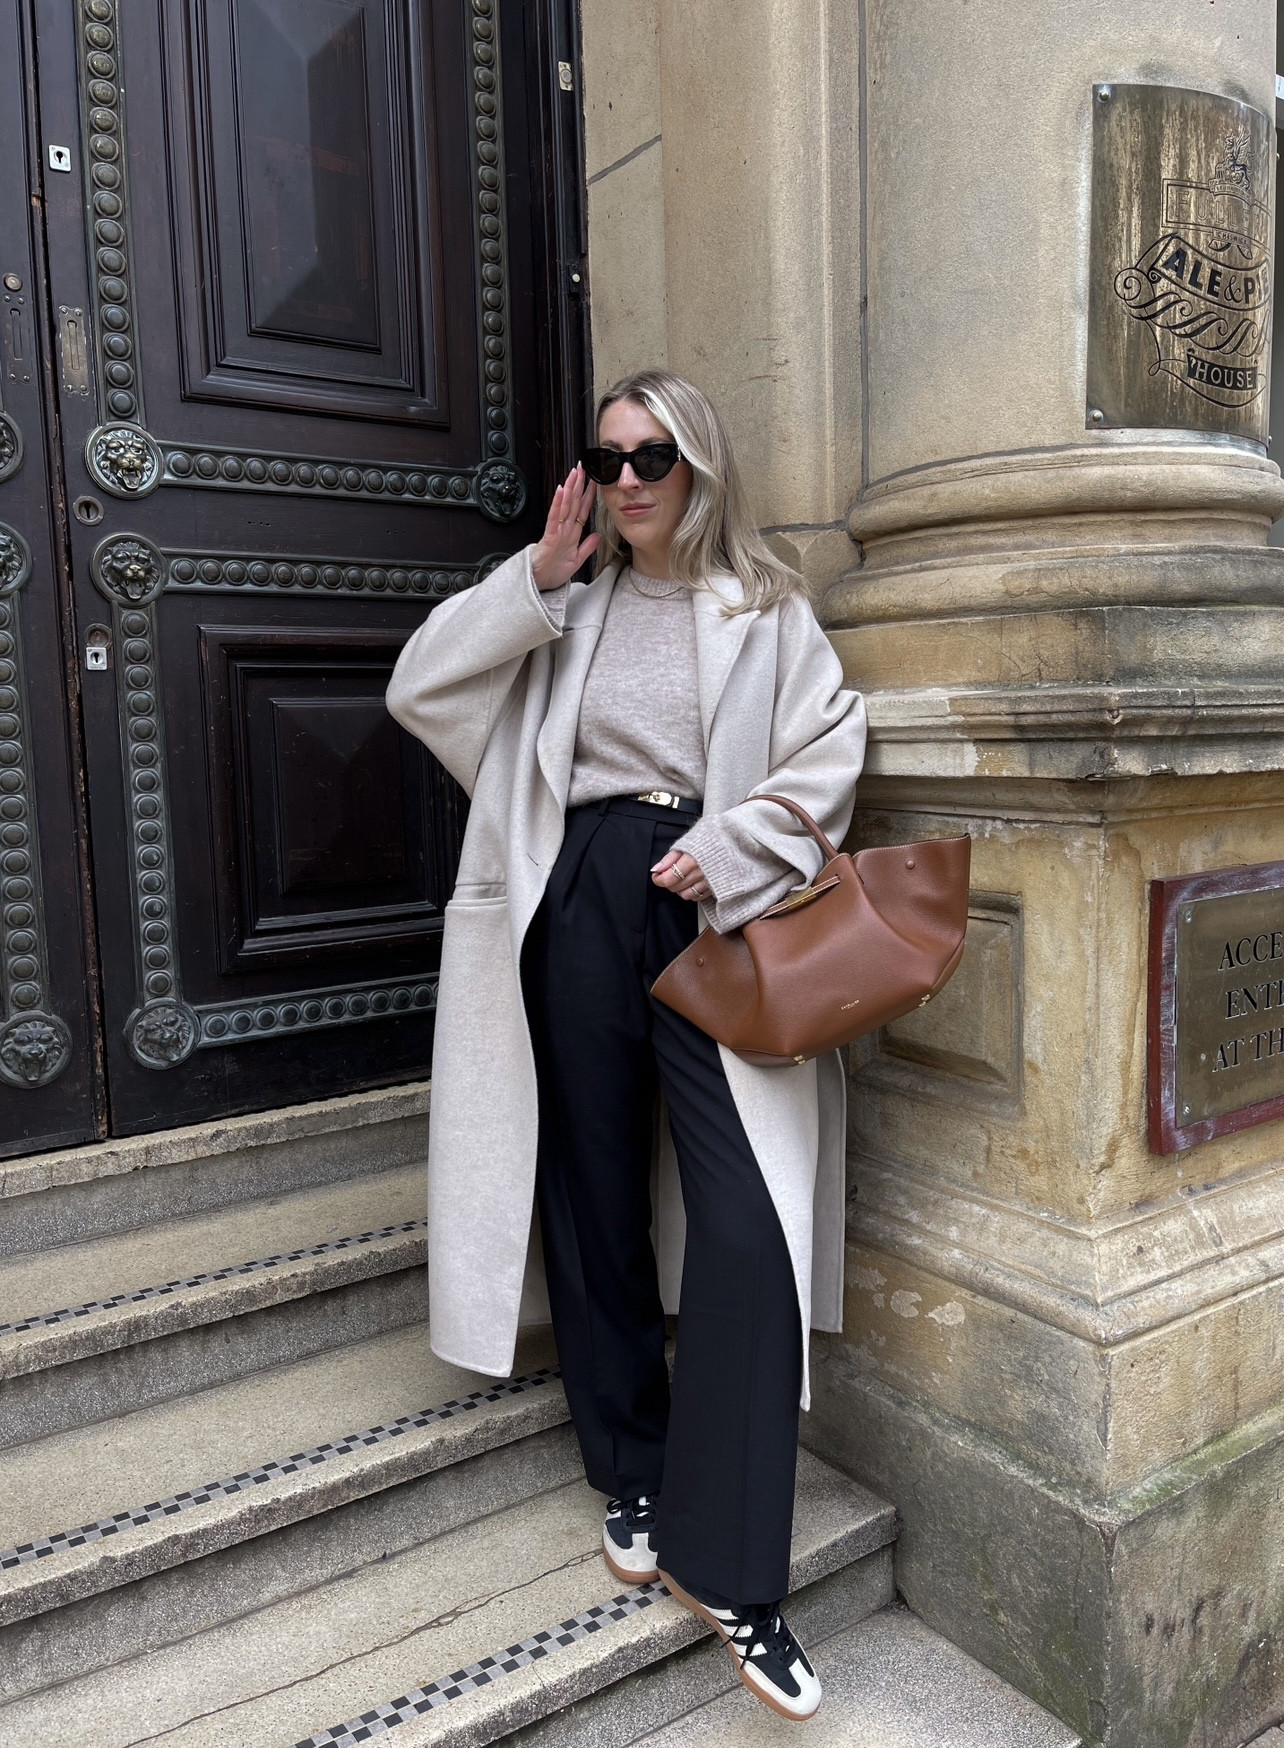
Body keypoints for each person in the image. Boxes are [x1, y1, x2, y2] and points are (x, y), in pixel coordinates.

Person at [386, 370, 866, 1723]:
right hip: (581, 888)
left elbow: (832, 756)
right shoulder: (563, 603)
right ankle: (634, 1468)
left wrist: (731, 844)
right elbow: (421, 688)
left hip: (708, 898)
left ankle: (737, 1566)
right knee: (592, 1193)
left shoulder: (765, 608)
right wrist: (529, 580)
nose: (629, 476)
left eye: (652, 453)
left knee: (746, 1215)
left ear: (697, 463)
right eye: (606, 456)